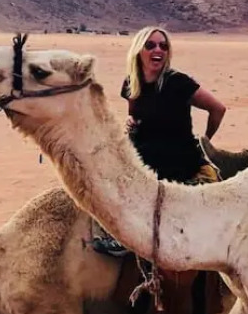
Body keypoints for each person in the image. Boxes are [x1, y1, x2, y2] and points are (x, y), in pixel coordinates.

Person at [91, 25, 226, 255]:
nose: (158, 50)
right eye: (150, 45)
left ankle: (129, 241)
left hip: (176, 158)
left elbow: (218, 109)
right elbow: (134, 113)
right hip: (142, 153)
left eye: (163, 46)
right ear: (138, 51)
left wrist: (205, 140)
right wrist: (131, 122)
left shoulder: (178, 83)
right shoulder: (131, 83)